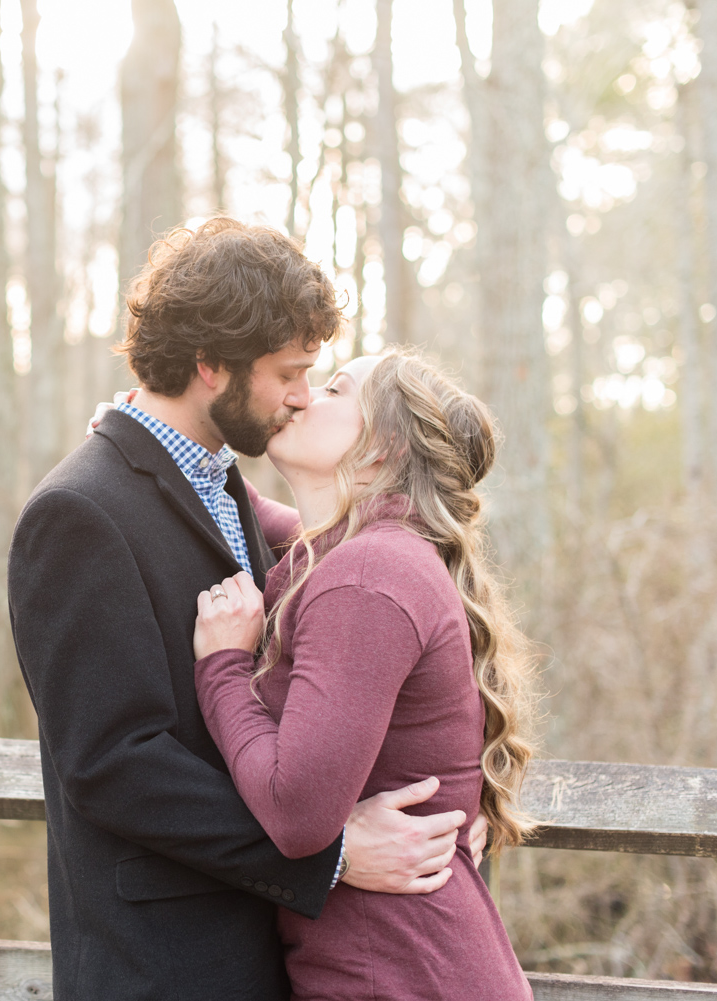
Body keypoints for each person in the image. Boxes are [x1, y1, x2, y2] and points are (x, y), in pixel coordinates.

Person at [7, 218, 483, 1001]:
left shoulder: (224, 485)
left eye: (317, 377)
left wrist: (466, 790)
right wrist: (328, 856)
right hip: (169, 965)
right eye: (290, 373)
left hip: (274, 951)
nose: (300, 396)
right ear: (211, 365)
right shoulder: (80, 513)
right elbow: (111, 762)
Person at [193, 348, 538, 1000]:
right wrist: (176, 453)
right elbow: (295, 527)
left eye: (332, 389)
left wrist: (223, 669)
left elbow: (297, 814)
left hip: (407, 978)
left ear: (381, 447)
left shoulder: (368, 577)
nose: (300, 396)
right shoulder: (373, 552)